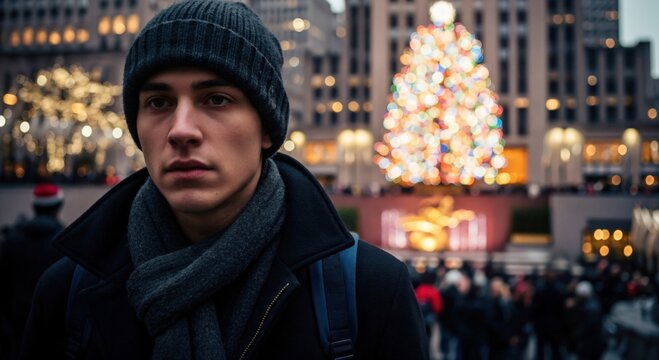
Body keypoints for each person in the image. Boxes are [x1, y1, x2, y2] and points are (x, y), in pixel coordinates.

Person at [19, 1, 428, 359]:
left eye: (216, 99)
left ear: (266, 129)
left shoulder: (370, 291)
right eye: (158, 102)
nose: (181, 130)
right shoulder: (65, 294)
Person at [0, 184, 64, 360]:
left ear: (34, 206)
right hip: (52, 319)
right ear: (59, 206)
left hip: (16, 316)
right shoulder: (64, 242)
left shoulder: (12, 239)